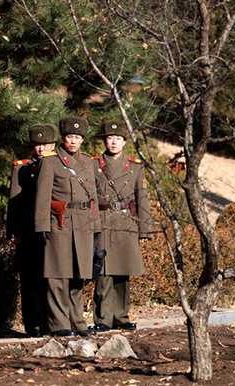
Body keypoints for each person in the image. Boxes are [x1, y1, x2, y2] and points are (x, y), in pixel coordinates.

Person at [34, 116, 101, 337]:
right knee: (57, 277)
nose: (73, 141)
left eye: (78, 137)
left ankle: (77, 322)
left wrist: (97, 226)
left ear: (82, 140)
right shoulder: (50, 161)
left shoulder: (88, 162)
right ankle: (58, 324)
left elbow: (93, 197)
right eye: (70, 136)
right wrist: (42, 225)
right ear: (63, 138)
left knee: (78, 277)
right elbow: (42, 196)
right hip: (59, 224)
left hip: (83, 224)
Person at [92, 120, 152, 332]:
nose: (114, 142)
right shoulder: (94, 164)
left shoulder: (135, 167)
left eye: (118, 139)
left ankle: (121, 316)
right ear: (105, 141)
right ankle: (102, 319)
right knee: (103, 273)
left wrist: (145, 229)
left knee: (122, 274)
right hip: (103, 222)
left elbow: (142, 199)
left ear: (125, 142)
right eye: (110, 138)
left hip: (126, 223)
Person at [7, 124, 58, 337]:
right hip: (29, 231)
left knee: (53, 278)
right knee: (30, 279)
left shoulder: (60, 165)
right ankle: (33, 324)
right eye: (37, 144)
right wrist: (14, 232)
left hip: (54, 230)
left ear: (53, 144)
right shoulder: (23, 168)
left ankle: (52, 322)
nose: (41, 148)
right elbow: (14, 203)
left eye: (45, 144)